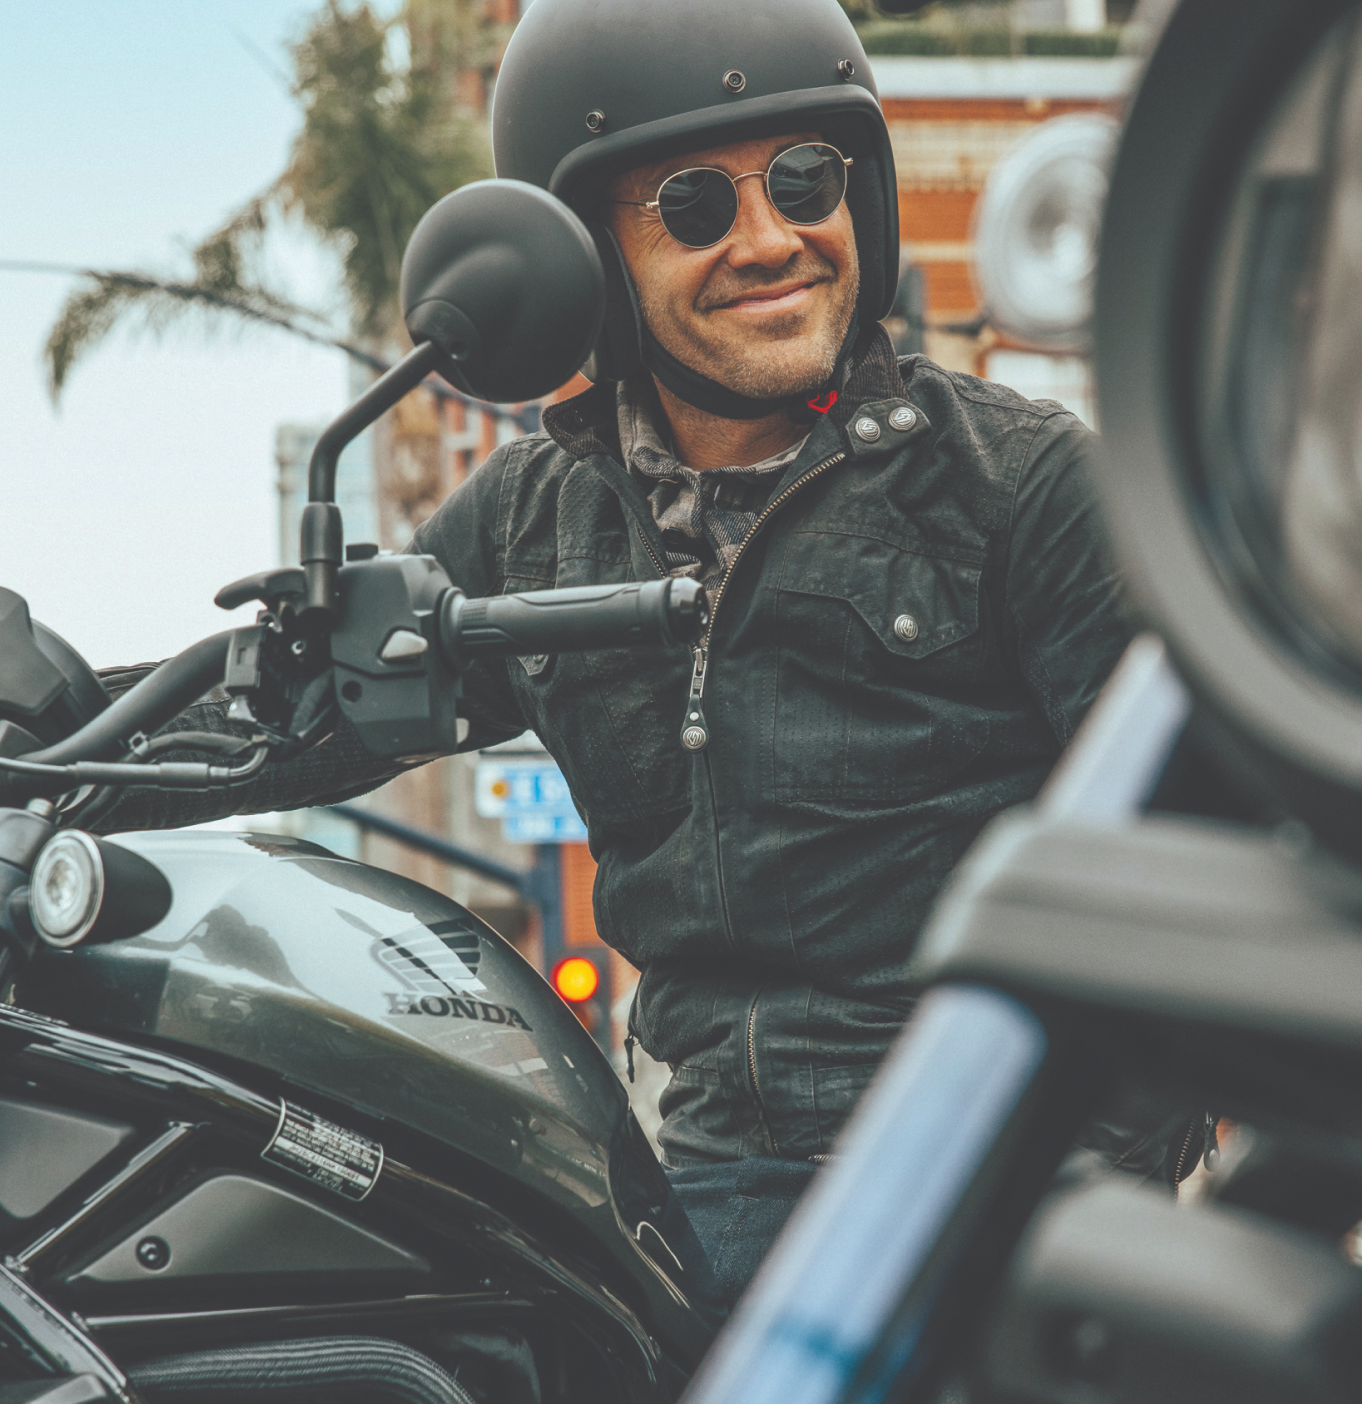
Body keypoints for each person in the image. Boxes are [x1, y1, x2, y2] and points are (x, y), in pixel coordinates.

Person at [104, 0, 1132, 1313]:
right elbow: (287, 712)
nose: (772, 239)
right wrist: (0, 736)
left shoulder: (1020, 488)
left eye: (805, 181)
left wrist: (1085, 1205)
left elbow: (1197, 850)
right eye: (697, 206)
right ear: (590, 257)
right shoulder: (540, 514)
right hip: (725, 1179)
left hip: (1013, 1168)